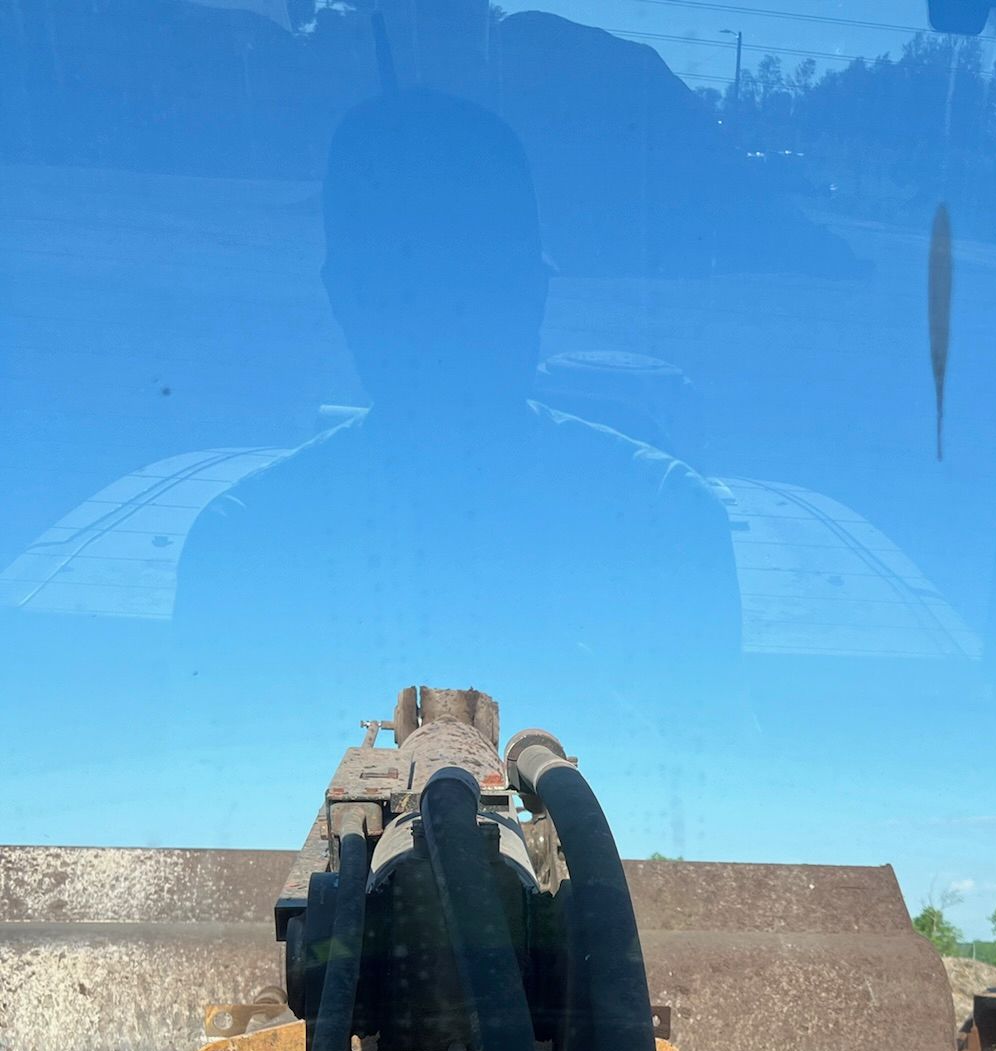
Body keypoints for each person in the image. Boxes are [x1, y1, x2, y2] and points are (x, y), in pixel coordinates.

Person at [175, 88, 741, 706]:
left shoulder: (244, 544)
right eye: (407, 284)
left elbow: (713, 774)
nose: (446, 319)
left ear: (535, 291)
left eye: (477, 279)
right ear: (343, 298)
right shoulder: (666, 522)